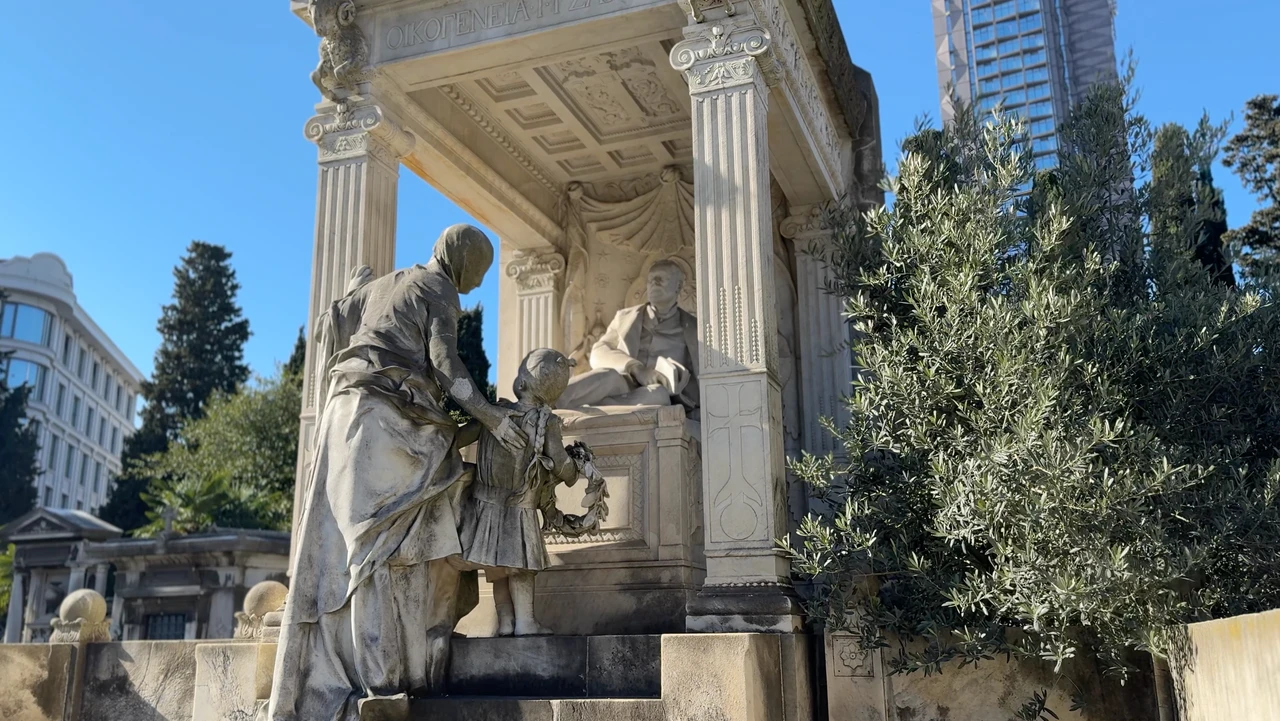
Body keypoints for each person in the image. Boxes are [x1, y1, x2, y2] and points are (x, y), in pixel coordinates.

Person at [269, 224, 526, 721]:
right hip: (385, 422)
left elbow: (333, 322)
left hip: (345, 416)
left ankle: (361, 671)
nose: (477, 282)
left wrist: (354, 292)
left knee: (361, 549)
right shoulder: (438, 289)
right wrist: (493, 417)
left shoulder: (388, 283)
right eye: (480, 269)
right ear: (462, 259)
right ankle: (384, 677)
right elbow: (446, 365)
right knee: (387, 543)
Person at [454, 348, 578, 636]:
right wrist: (574, 471)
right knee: (520, 568)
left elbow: (459, 437)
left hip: (485, 506)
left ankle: (506, 621)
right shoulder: (547, 423)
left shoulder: (493, 413)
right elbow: (560, 463)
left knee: (497, 568)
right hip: (520, 509)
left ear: (521, 384)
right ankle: (525, 622)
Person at [556, 259, 699, 411]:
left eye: (661, 279)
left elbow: (697, 380)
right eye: (651, 280)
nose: (654, 283)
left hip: (657, 393)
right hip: (624, 382)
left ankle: (601, 407)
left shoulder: (694, 329)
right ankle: (547, 400)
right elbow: (598, 352)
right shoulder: (625, 318)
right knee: (607, 375)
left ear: (678, 286)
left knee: (658, 395)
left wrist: (679, 382)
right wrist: (635, 368)